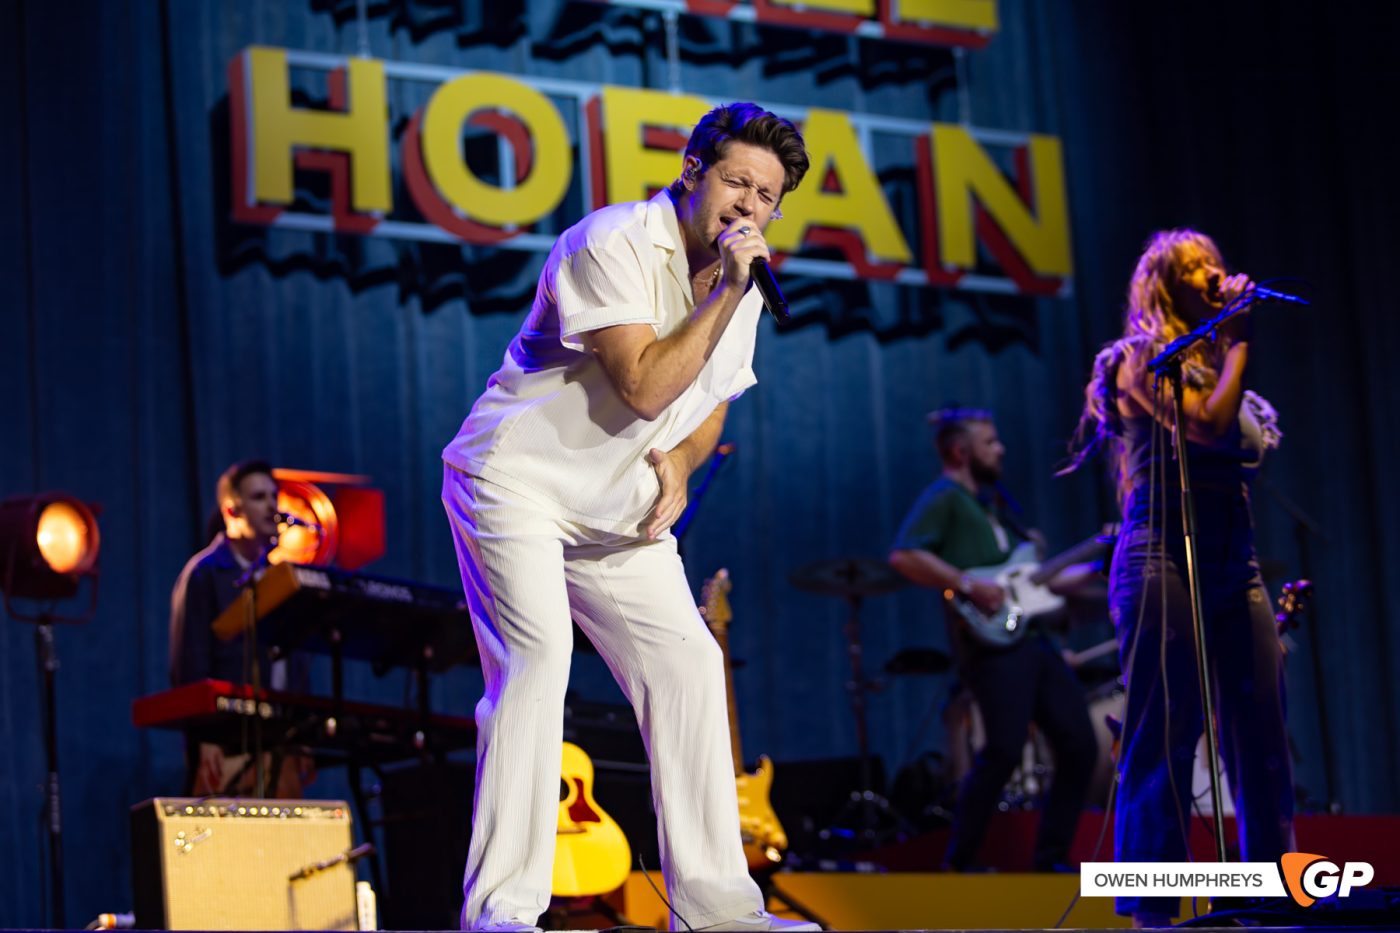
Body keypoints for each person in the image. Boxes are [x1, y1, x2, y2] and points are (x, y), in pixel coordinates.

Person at [440, 103, 816, 933]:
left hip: (616, 512)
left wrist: (680, 462)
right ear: (692, 171)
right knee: (538, 663)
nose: (749, 205)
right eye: (736, 181)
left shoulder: (737, 284)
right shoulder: (610, 241)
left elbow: (710, 400)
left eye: (767, 195)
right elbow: (646, 382)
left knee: (687, 665)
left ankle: (718, 910)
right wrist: (725, 293)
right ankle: (501, 912)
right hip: (516, 484)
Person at [1062, 229, 1294, 927]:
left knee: (1261, 730)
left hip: (1234, 553)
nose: (1214, 272)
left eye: (1217, 262)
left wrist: (1231, 348)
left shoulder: (1221, 362)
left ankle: (1268, 896)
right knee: (1166, 730)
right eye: (1197, 265)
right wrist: (1243, 340)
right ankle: (1154, 908)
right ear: (1165, 284)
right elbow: (1208, 429)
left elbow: (1243, 437)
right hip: (1160, 552)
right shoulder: (1138, 361)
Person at [888, 408, 1096, 872]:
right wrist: (966, 582)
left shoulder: (993, 506)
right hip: (992, 647)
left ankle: (1052, 858)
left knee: (1080, 744)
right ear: (960, 451)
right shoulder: (944, 498)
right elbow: (904, 555)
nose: (1000, 449)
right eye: (989, 442)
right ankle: (960, 862)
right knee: (1002, 749)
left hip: (1035, 640)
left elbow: (1022, 579)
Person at [168, 458, 311, 797]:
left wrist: (303, 738)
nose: (272, 505)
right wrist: (205, 737)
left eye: (273, 496)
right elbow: (190, 663)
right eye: (259, 497)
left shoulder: (281, 577)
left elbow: (296, 663)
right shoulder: (205, 573)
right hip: (228, 745)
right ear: (232, 511)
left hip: (280, 744)